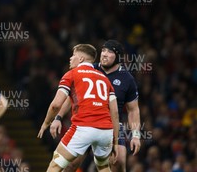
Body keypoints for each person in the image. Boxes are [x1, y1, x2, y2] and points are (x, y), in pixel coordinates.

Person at [50, 40, 141, 172]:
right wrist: (58, 117)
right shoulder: (90, 69)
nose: (104, 54)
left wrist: (136, 135)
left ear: (118, 57)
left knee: (119, 161)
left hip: (111, 126)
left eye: (110, 52)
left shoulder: (127, 79)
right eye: (103, 50)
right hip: (86, 122)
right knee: (70, 165)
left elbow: (133, 110)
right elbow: (72, 97)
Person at [37, 44, 119, 172]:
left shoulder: (71, 74)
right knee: (103, 167)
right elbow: (114, 112)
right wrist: (115, 141)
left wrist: (46, 123)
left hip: (83, 128)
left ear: (80, 59)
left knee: (55, 165)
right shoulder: (105, 79)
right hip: (105, 131)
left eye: (73, 55)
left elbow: (55, 105)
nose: (70, 58)